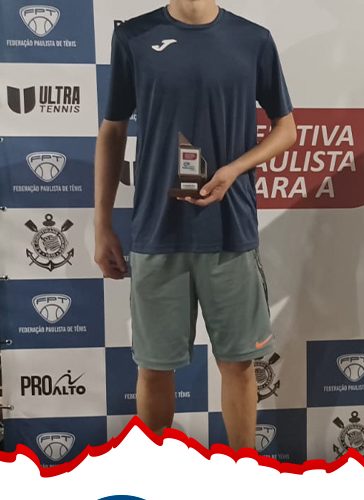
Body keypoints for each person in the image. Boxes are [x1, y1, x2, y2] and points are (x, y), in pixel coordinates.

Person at [93, 0, 297, 450]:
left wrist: (235, 169)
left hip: (230, 231)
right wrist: (102, 224)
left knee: (238, 365)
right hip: (156, 231)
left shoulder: (253, 39)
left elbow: (287, 130)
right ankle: (157, 473)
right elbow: (112, 130)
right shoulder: (133, 38)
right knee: (153, 368)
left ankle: (242, 472)